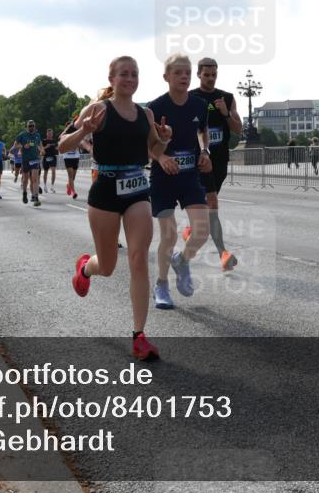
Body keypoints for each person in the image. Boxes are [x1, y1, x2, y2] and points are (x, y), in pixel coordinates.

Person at [60, 55, 171, 360]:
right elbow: (61, 146)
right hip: (105, 190)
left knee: (138, 259)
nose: (129, 79)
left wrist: (162, 140)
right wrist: (84, 130)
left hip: (137, 189)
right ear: (111, 79)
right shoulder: (97, 109)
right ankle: (85, 268)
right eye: (123, 74)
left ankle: (139, 336)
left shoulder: (146, 114)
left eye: (134, 74)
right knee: (107, 267)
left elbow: (153, 152)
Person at [147, 53, 212, 310]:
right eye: (178, 72)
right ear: (166, 77)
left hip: (189, 177)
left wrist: (205, 151)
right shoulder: (154, 108)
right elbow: (148, 146)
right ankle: (161, 284)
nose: (184, 76)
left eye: (187, 72)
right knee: (169, 234)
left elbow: (203, 131)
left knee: (202, 231)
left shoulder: (198, 105)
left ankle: (182, 260)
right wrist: (161, 156)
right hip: (163, 178)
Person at [183, 57, 242, 271]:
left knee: (208, 205)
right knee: (212, 203)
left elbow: (238, 129)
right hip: (199, 159)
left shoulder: (226, 97)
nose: (210, 78)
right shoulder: (190, 97)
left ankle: (193, 229)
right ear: (198, 74)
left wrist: (225, 113)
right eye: (206, 75)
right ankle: (223, 254)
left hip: (220, 160)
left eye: (214, 75)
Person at [14, 121, 43, 206]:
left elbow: (39, 144)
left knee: (35, 178)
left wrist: (41, 150)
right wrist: (23, 146)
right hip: (25, 160)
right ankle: (24, 193)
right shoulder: (22, 135)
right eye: (30, 126)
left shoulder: (37, 135)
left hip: (35, 159)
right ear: (27, 127)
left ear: (34, 126)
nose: (31, 127)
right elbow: (15, 145)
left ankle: (36, 197)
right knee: (25, 180)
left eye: (33, 126)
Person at [60, 118, 83, 199]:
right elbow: (60, 142)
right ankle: (73, 192)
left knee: (73, 177)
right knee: (70, 175)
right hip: (67, 157)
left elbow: (81, 145)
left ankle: (68, 185)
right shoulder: (64, 135)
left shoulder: (76, 135)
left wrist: (77, 144)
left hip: (76, 156)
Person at [42, 129, 59, 194]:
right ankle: (45, 186)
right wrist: (46, 146)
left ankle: (52, 186)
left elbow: (57, 148)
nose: (49, 135)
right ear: (47, 134)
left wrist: (58, 148)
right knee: (45, 172)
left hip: (53, 157)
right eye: (48, 134)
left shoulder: (54, 141)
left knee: (53, 171)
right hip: (46, 157)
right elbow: (41, 148)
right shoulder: (44, 141)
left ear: (52, 134)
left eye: (51, 133)